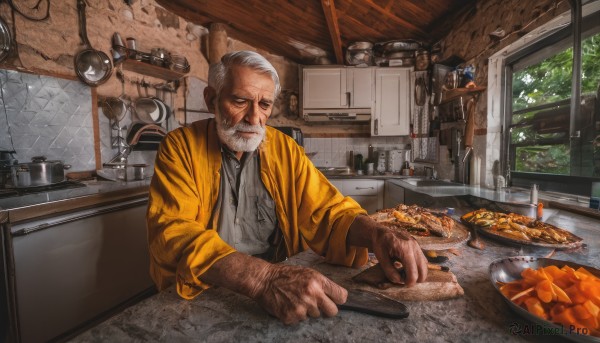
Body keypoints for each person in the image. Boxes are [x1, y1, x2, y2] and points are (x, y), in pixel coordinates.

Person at [147, 50, 428, 325]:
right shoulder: (179, 147)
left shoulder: (284, 150)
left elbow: (329, 211)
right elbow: (174, 233)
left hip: (283, 293)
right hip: (207, 291)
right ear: (211, 99)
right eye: (240, 101)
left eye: (265, 105)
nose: (254, 117)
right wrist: (263, 279)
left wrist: (378, 234)